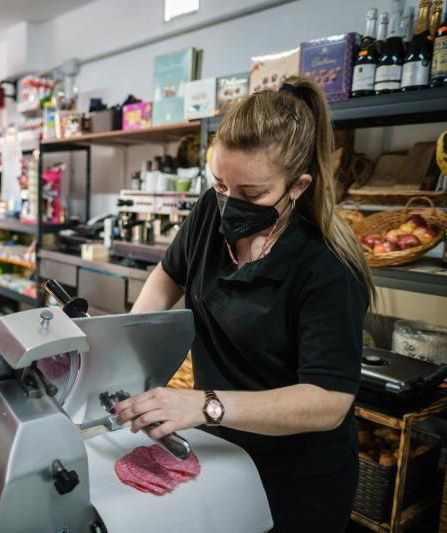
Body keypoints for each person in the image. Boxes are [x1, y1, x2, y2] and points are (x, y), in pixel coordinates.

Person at [115, 76, 373, 532]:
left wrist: (205, 405)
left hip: (296, 476)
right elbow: (166, 278)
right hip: (219, 452)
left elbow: (327, 400)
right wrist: (132, 359)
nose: (231, 203)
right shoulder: (209, 213)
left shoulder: (328, 266)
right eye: (220, 185)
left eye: (251, 194)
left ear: (297, 186)